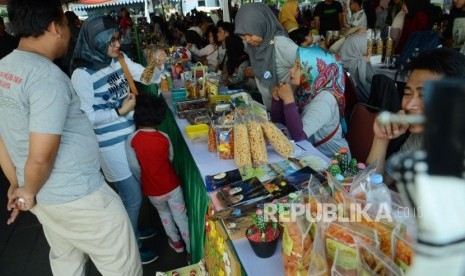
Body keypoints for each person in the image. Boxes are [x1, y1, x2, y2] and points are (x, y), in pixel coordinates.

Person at [0, 0, 142, 275]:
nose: (68, 34)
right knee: (122, 264)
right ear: (54, 26)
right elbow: (42, 153)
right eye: (66, 25)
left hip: (47, 198)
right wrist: (26, 191)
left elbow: (2, 137)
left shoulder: (5, 68)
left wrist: (17, 183)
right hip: (78, 195)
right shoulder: (45, 77)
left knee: (67, 261)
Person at [70, 15, 165, 264]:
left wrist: (156, 64)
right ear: (95, 43)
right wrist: (118, 112)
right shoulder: (82, 75)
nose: (117, 45)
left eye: (117, 39)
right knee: (132, 195)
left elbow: (147, 78)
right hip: (110, 146)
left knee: (135, 191)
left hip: (131, 136)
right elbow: (85, 116)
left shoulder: (118, 59)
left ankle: (131, 227)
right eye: (110, 41)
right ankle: (130, 242)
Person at [366, 47, 465, 184]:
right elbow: (374, 183)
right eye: (407, 94)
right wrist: (381, 138)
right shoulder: (421, 137)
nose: (408, 105)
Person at [126, 93, 191, 257]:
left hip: (153, 190)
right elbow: (170, 157)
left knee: (164, 214)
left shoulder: (131, 139)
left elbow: (134, 165)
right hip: (172, 187)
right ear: (160, 117)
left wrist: (143, 177)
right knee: (181, 217)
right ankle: (191, 248)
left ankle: (176, 242)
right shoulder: (164, 137)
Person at [271, 46, 349, 158]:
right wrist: (278, 98)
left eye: (298, 66)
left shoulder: (325, 99)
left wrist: (288, 100)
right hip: (310, 152)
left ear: (315, 70)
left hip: (332, 159)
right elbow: (280, 124)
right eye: (294, 64)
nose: (291, 70)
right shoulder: (304, 90)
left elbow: (298, 136)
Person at [235, 2, 298, 108]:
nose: (247, 39)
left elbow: (307, 66)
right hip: (270, 107)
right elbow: (265, 70)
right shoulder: (256, 44)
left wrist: (293, 89)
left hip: (287, 110)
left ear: (262, 24)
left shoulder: (282, 45)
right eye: (243, 36)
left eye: (250, 34)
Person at [339, 33, 374, 104]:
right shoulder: (361, 64)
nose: (367, 48)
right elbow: (374, 80)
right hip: (368, 100)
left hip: (354, 100)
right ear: (357, 47)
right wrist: (367, 62)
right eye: (365, 45)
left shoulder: (344, 62)